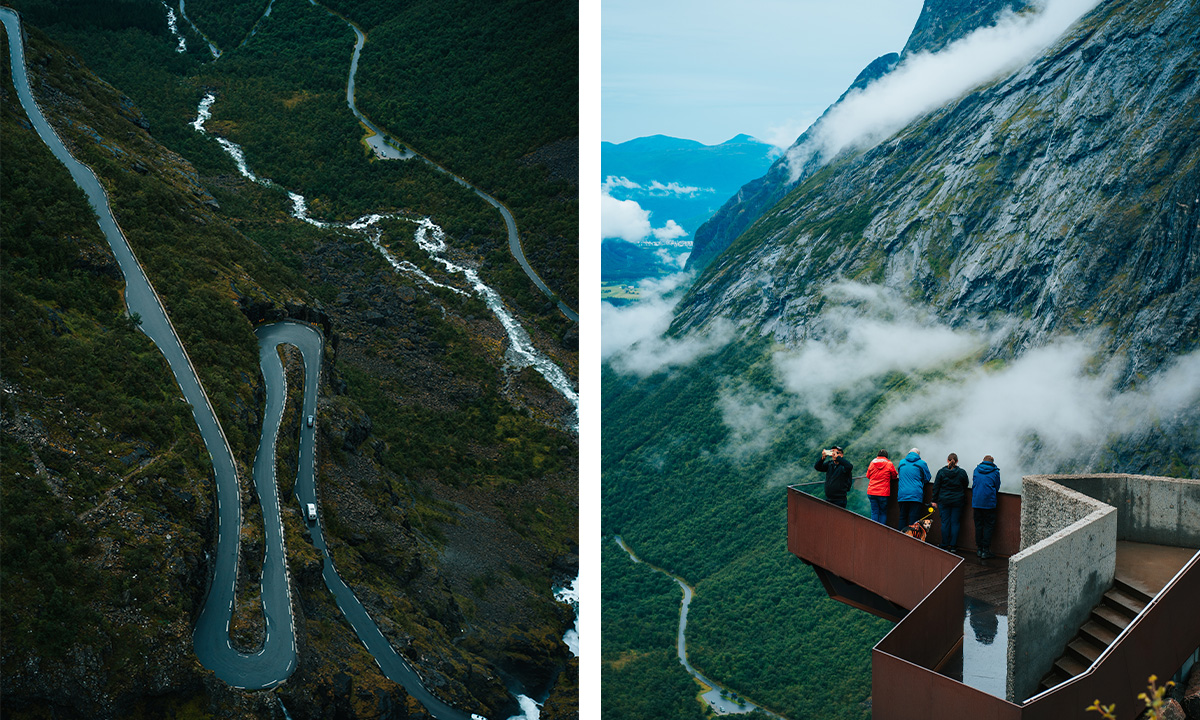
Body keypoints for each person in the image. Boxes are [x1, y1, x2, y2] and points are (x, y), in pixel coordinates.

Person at [931, 453, 968, 551]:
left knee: (945, 523)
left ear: (947, 460)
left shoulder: (941, 472)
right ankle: (953, 546)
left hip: (944, 501)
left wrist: (934, 500)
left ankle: (944, 544)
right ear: (957, 461)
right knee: (955, 523)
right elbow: (966, 484)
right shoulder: (962, 472)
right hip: (958, 501)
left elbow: (936, 487)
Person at [971, 455, 1002, 559]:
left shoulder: (976, 470)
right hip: (989, 503)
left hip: (976, 502)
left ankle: (979, 549)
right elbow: (997, 486)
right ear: (992, 462)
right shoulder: (995, 472)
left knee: (978, 525)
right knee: (988, 526)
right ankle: (985, 550)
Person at [896, 448, 931, 530]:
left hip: (902, 494)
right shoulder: (922, 463)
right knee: (914, 519)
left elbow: (900, 475)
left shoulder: (902, 462)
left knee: (902, 517)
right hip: (915, 495)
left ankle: (900, 537)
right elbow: (927, 478)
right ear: (918, 455)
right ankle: (912, 540)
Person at [865, 449, 898, 524]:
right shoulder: (889, 464)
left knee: (874, 511)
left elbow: (868, 476)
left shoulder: (872, 463)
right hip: (883, 493)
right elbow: (894, 476)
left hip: (872, 491)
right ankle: (881, 530)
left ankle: (874, 529)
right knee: (883, 512)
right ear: (886, 456)